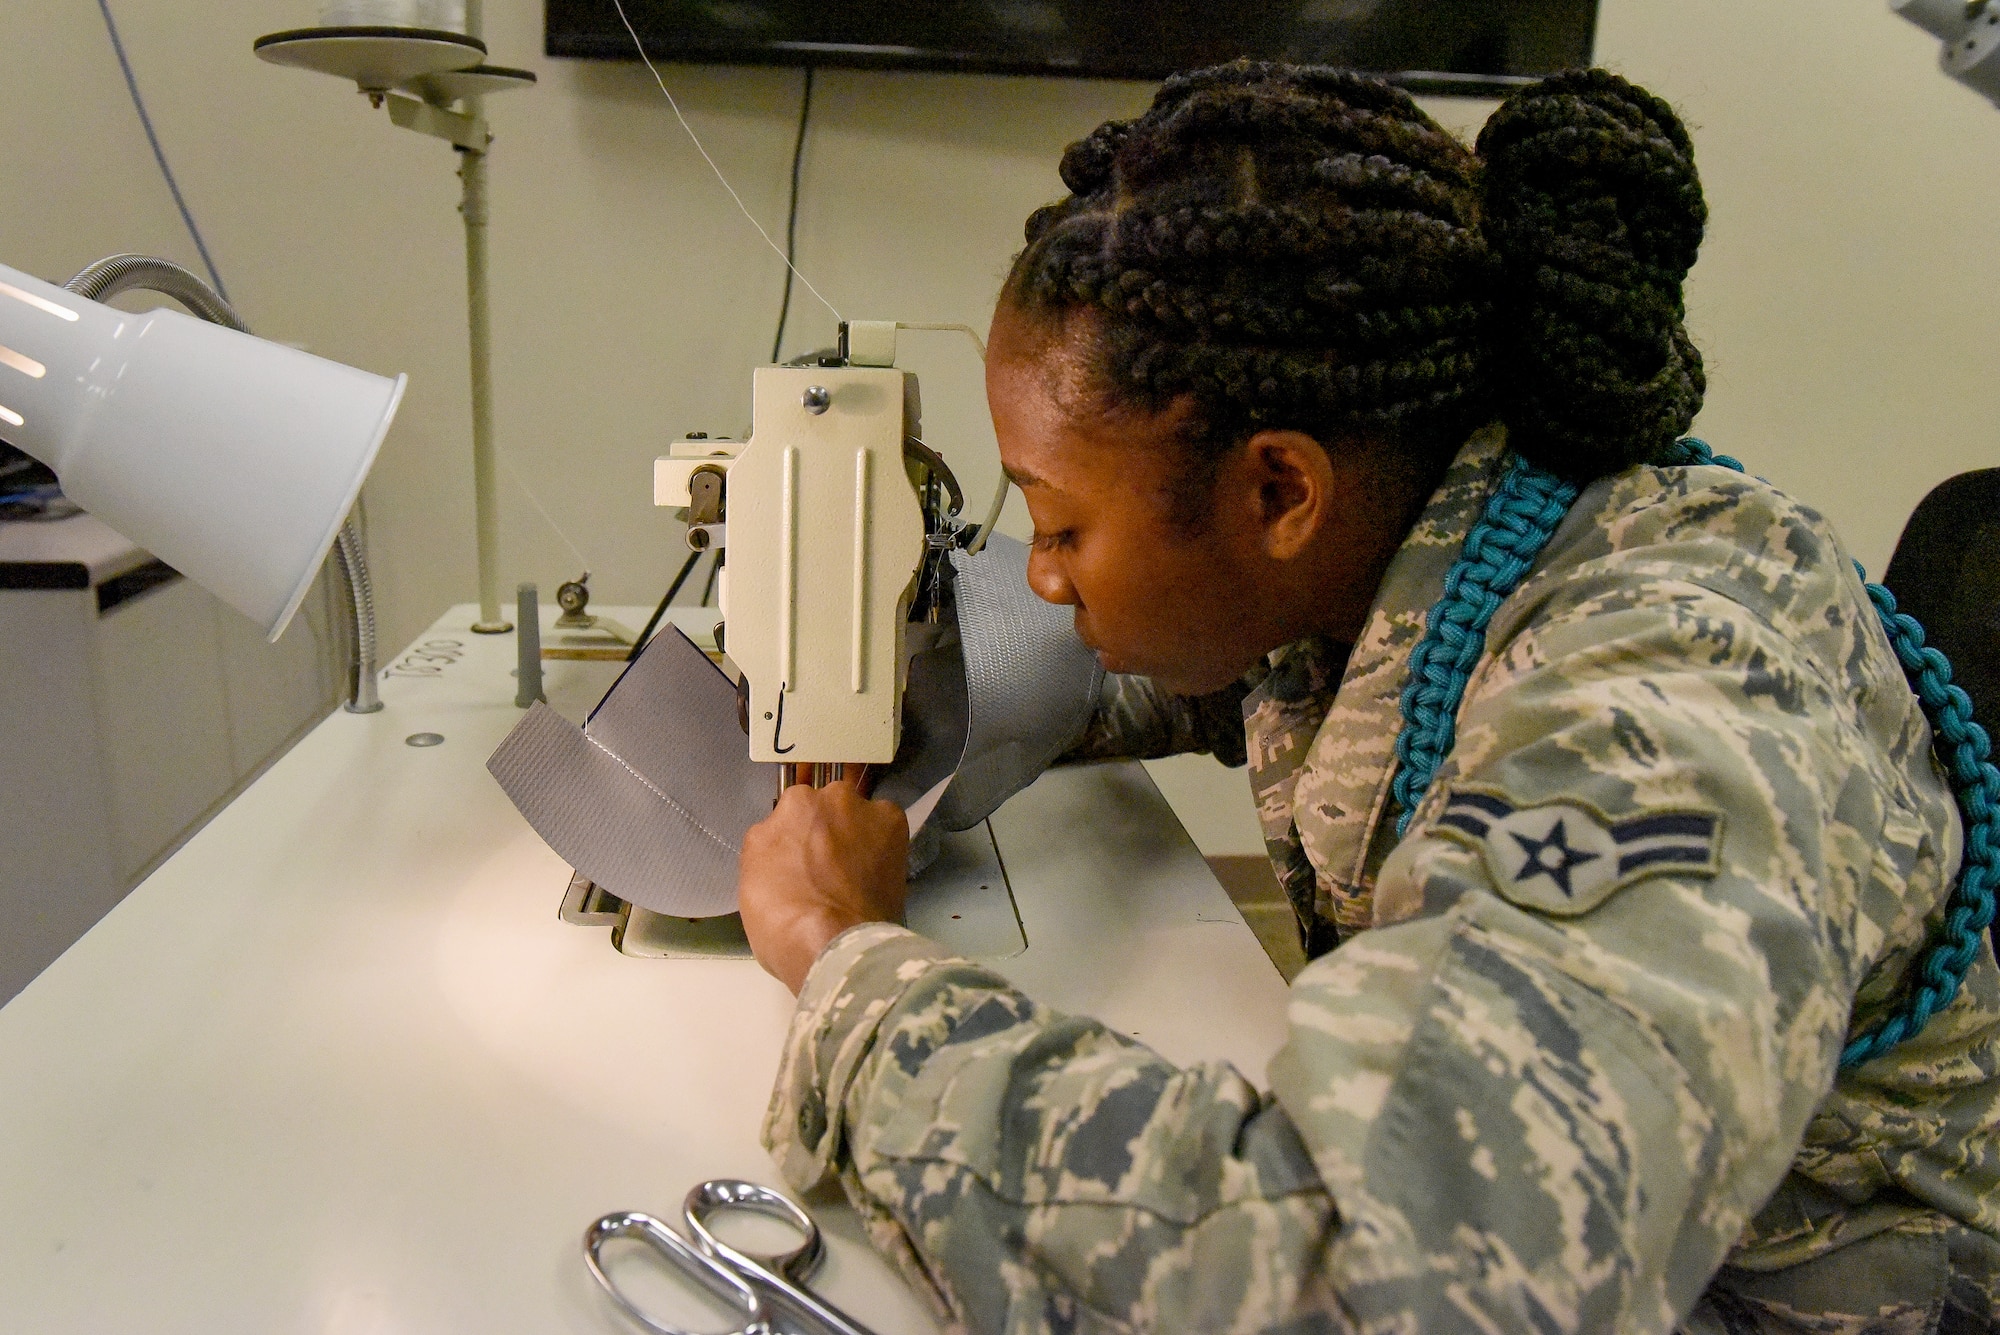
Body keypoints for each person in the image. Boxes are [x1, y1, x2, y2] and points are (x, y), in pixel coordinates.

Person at [735, 63, 2000, 1331]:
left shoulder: (1658, 705)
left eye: (1060, 524)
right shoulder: (1415, 520)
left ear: (1277, 493)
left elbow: (1387, 1271)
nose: (1044, 574)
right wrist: (903, 698)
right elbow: (1206, 669)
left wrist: (850, 973)